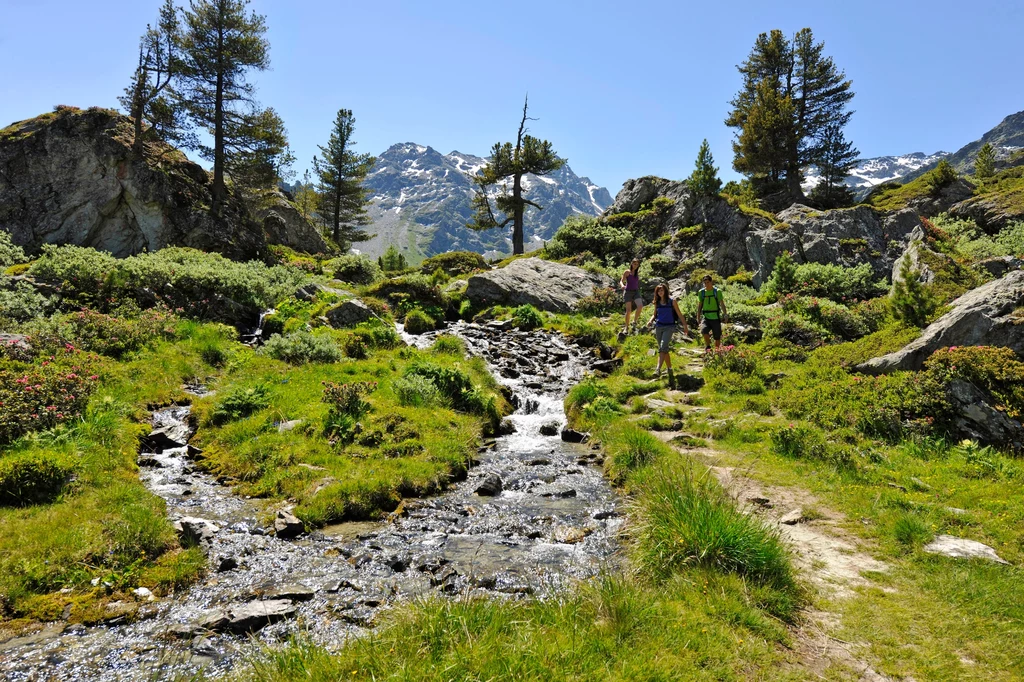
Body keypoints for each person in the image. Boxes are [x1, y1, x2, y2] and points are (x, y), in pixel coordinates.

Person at [646, 282, 689, 387]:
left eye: (662, 290)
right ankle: (669, 369)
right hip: (659, 327)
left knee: (662, 347)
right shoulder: (657, 302)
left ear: (665, 291)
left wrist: (685, 326)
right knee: (664, 349)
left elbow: (679, 313)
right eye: (658, 291)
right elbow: (654, 314)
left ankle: (658, 369)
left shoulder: (672, 301)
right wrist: (650, 321)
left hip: (669, 327)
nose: (660, 292)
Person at [696, 274, 727, 352]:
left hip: (715, 317)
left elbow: (722, 303)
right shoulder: (701, 292)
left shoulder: (717, 291)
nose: (706, 284)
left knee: (717, 337)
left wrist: (725, 314)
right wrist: (698, 316)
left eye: (708, 282)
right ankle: (708, 346)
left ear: (711, 282)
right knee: (704, 331)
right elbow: (700, 305)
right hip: (706, 317)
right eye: (705, 283)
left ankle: (717, 351)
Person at [620, 259, 644, 335]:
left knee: (640, 306)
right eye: (634, 264)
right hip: (628, 292)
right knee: (628, 311)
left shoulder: (637, 273)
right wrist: (622, 285)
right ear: (631, 264)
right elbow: (621, 280)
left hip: (636, 291)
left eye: (637, 264)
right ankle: (626, 327)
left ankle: (634, 322)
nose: (635, 265)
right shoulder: (627, 272)